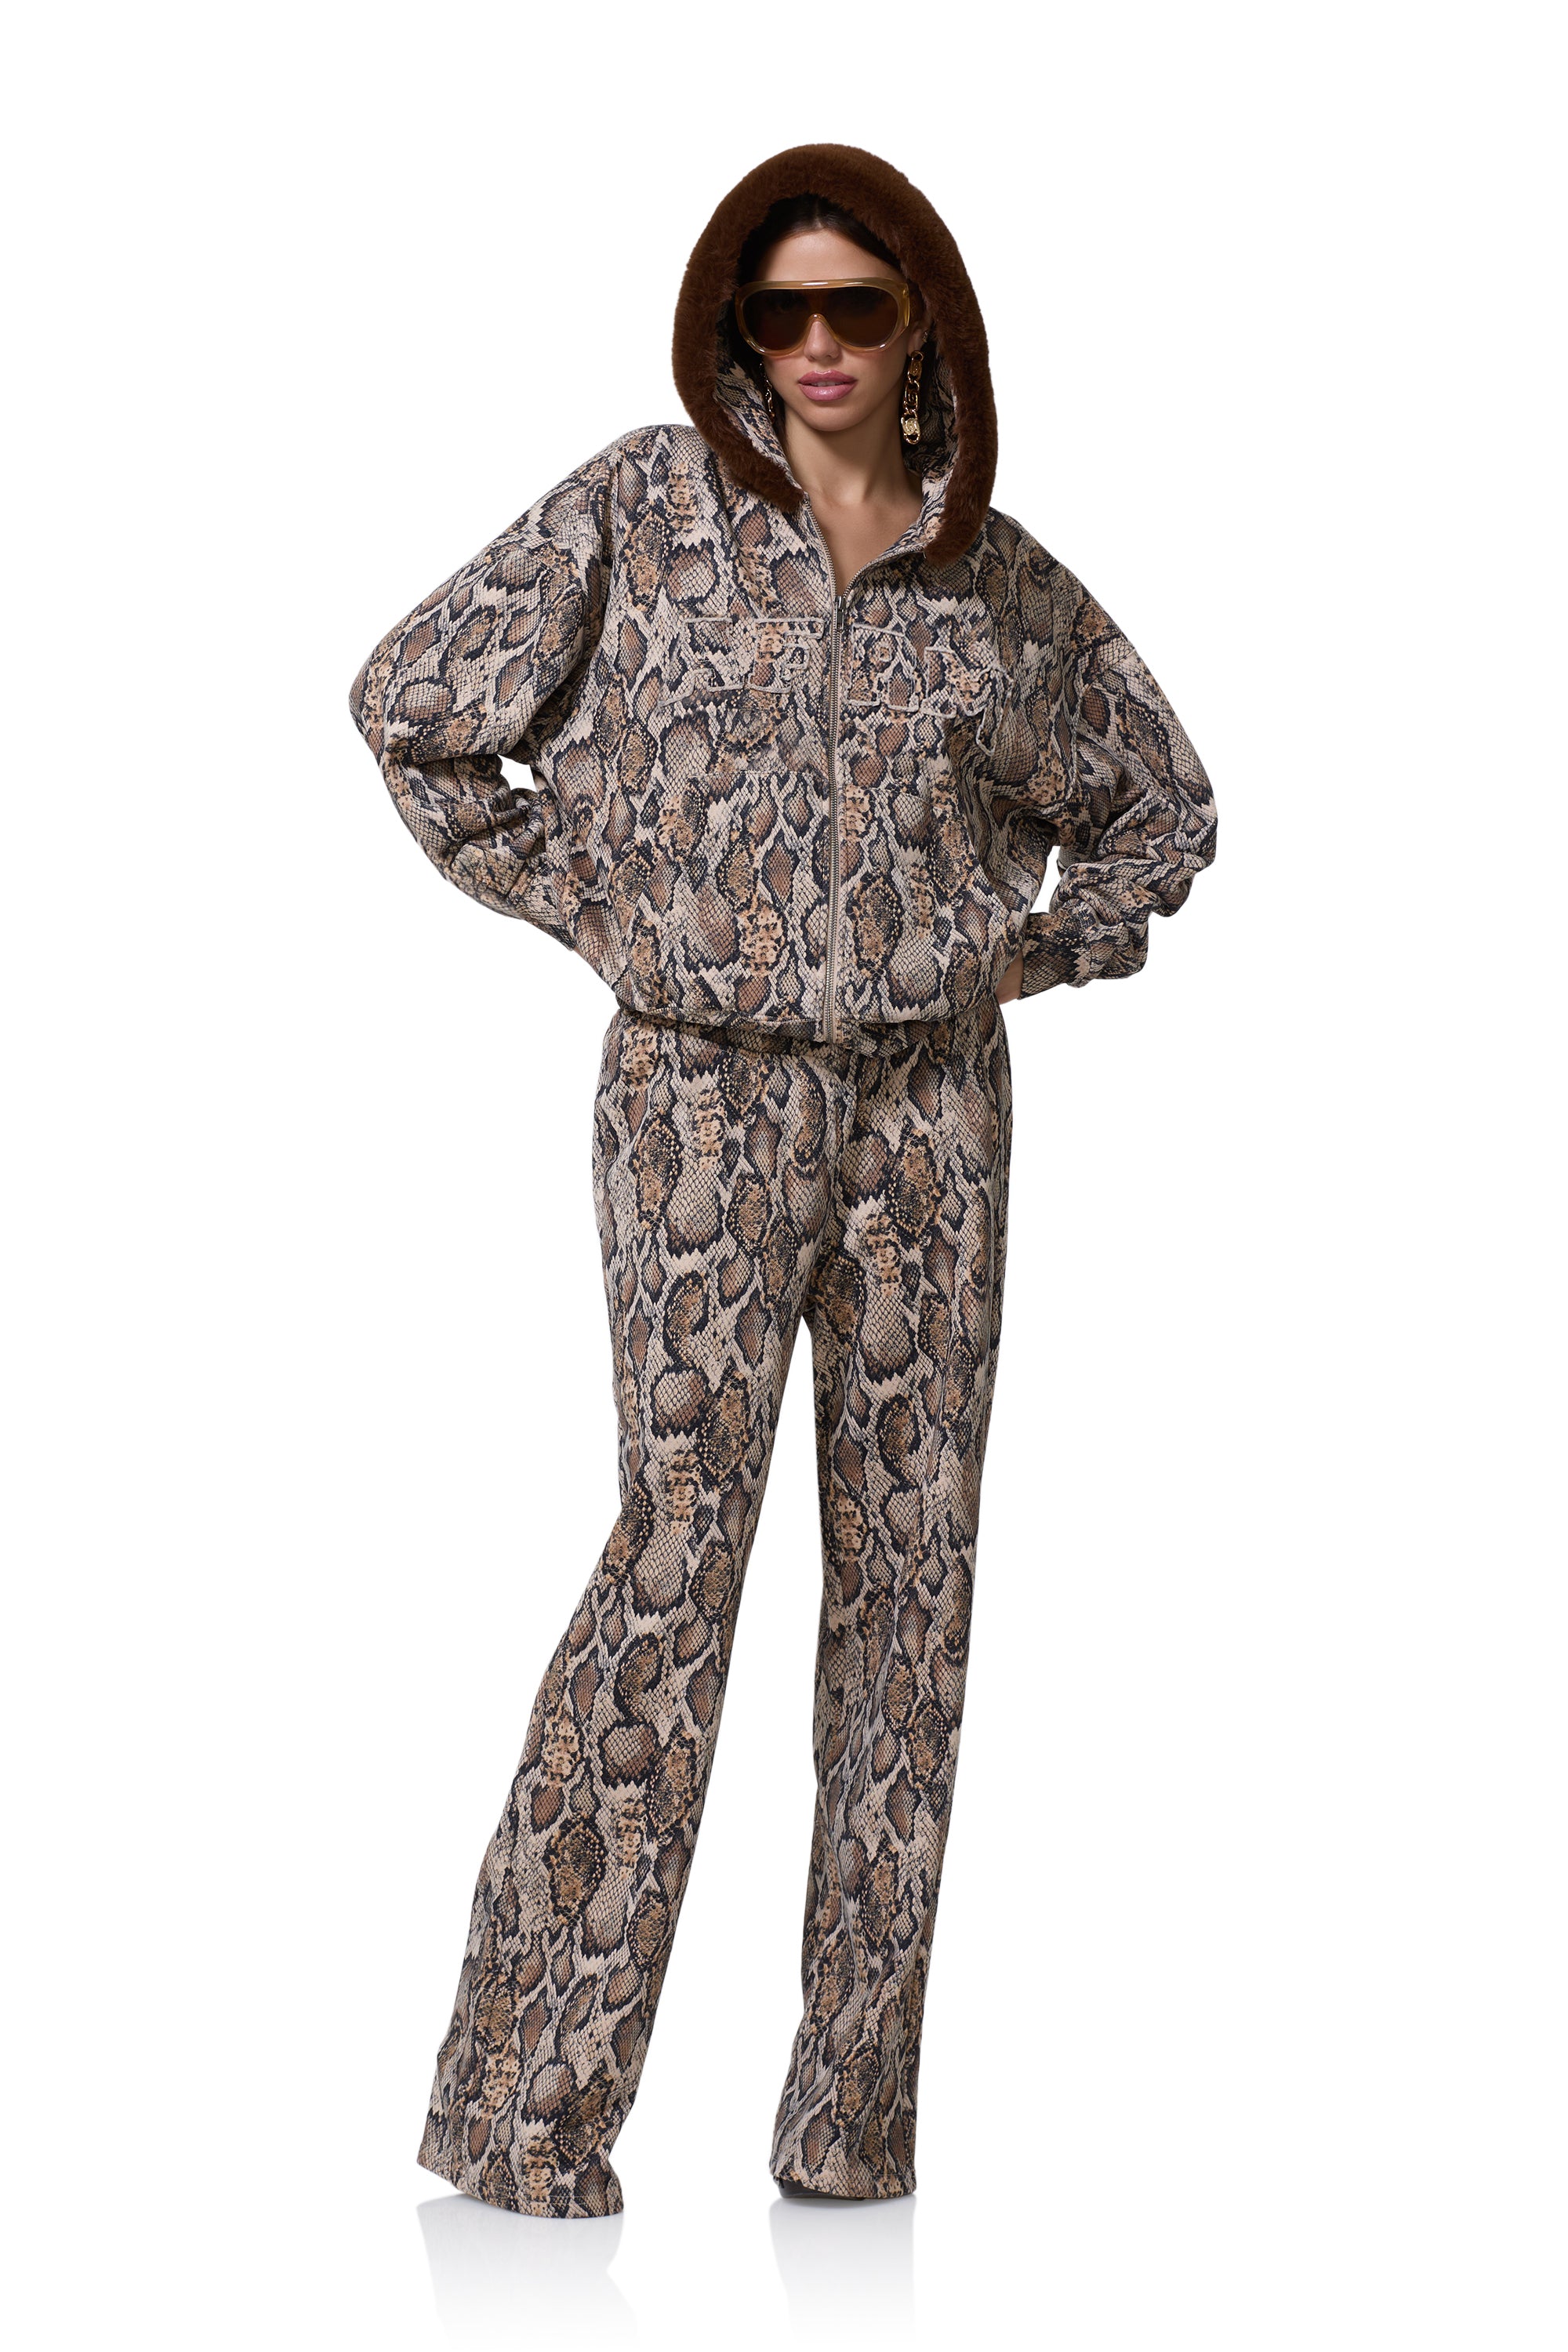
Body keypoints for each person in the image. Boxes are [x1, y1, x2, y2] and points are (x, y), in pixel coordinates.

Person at [349, 140, 1217, 2219]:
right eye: (780, 311)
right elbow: (410, 705)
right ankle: (527, 2111)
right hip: (701, 1107)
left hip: (934, 1122)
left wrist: (1040, 949)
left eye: (857, 308)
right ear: (735, 327)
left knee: (913, 1601)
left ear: (923, 324)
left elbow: (1165, 809)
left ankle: (851, 2124)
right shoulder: (645, 511)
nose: (818, 347)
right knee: (675, 1562)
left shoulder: (993, 580)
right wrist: (603, 907)